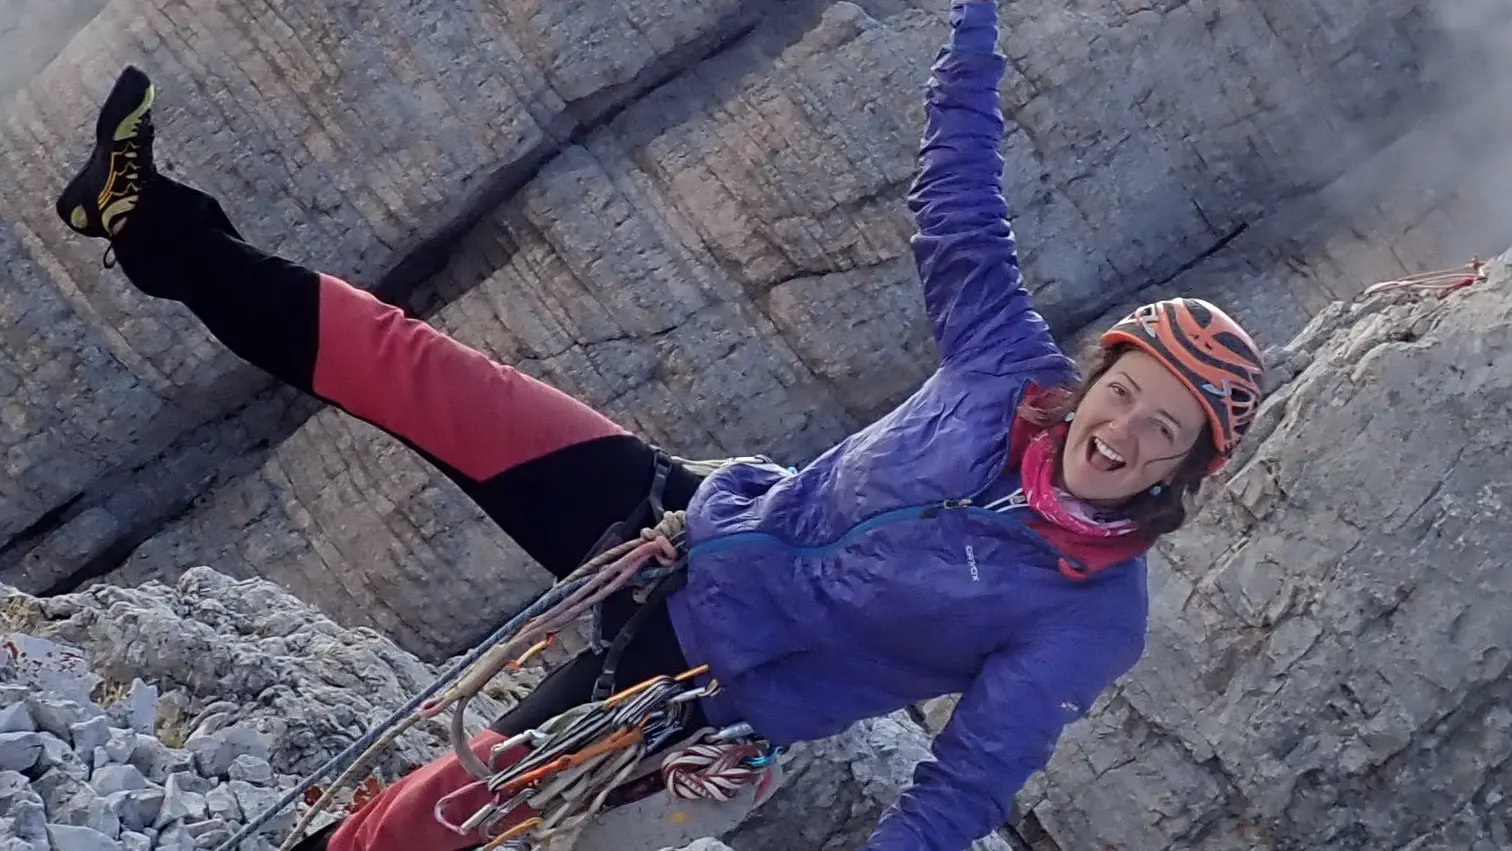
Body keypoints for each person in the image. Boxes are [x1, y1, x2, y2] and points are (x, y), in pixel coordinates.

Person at [53, 2, 1266, 849]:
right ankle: (144, 217)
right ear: (1099, 372)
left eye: (1166, 433)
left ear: (1188, 469)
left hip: (690, 686)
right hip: (677, 521)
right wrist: (978, 21)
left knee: (447, 810)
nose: (1125, 432)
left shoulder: (1088, 612)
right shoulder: (1008, 370)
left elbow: (967, 781)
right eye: (1127, 392)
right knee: (407, 363)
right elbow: (958, 201)